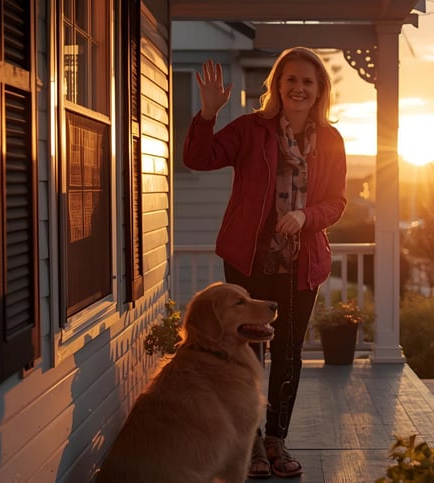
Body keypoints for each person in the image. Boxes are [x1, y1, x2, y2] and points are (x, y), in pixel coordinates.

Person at [183, 47, 347, 478]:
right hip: (248, 261)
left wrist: (305, 217)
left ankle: (276, 439)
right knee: (246, 351)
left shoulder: (331, 140)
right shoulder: (250, 129)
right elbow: (198, 158)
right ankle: (250, 441)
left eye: (308, 81)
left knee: (288, 352)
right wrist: (207, 114)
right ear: (277, 84)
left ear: (319, 90)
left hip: (301, 265)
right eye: (291, 79)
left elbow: (336, 202)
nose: (298, 88)